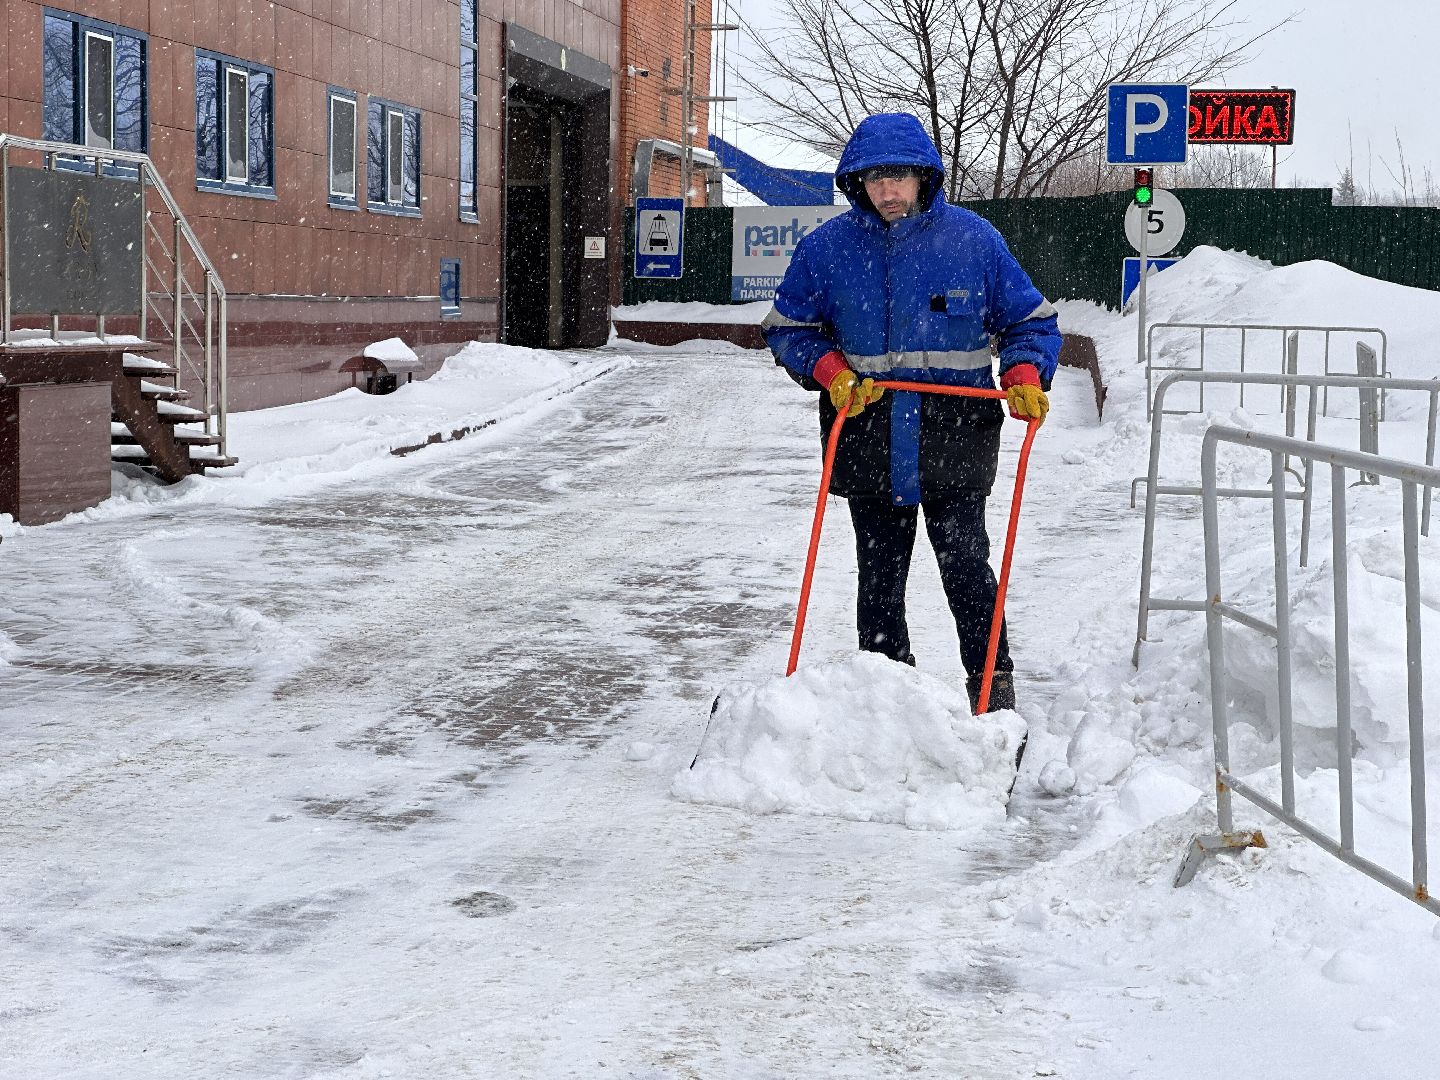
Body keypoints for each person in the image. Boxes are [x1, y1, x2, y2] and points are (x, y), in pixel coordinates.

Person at [762, 112, 1060, 715]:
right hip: (865, 431)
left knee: (965, 563)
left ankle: (991, 684)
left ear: (925, 177)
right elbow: (789, 329)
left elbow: (1029, 321)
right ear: (856, 183)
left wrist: (1025, 372)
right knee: (879, 570)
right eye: (874, 179)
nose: (888, 191)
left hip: (957, 432)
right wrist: (828, 372)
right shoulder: (826, 250)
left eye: (899, 176)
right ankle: (889, 693)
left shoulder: (975, 241)